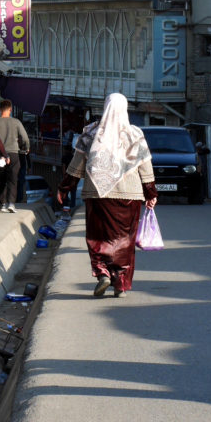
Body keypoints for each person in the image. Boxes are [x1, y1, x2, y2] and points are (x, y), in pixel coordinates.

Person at [56, 93, 158, 298]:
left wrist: (64, 188)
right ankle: (120, 282)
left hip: (97, 194)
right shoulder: (135, 134)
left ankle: (102, 272)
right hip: (128, 195)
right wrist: (150, 192)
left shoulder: (91, 133)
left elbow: (77, 165)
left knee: (98, 236)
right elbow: (145, 166)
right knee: (123, 240)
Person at [0, 100, 30, 213]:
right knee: (13, 179)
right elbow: (24, 138)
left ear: (0, 110)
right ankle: (11, 204)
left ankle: (2, 203)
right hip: (14, 153)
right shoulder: (16, 122)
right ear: (10, 110)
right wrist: (26, 148)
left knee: (1, 179)